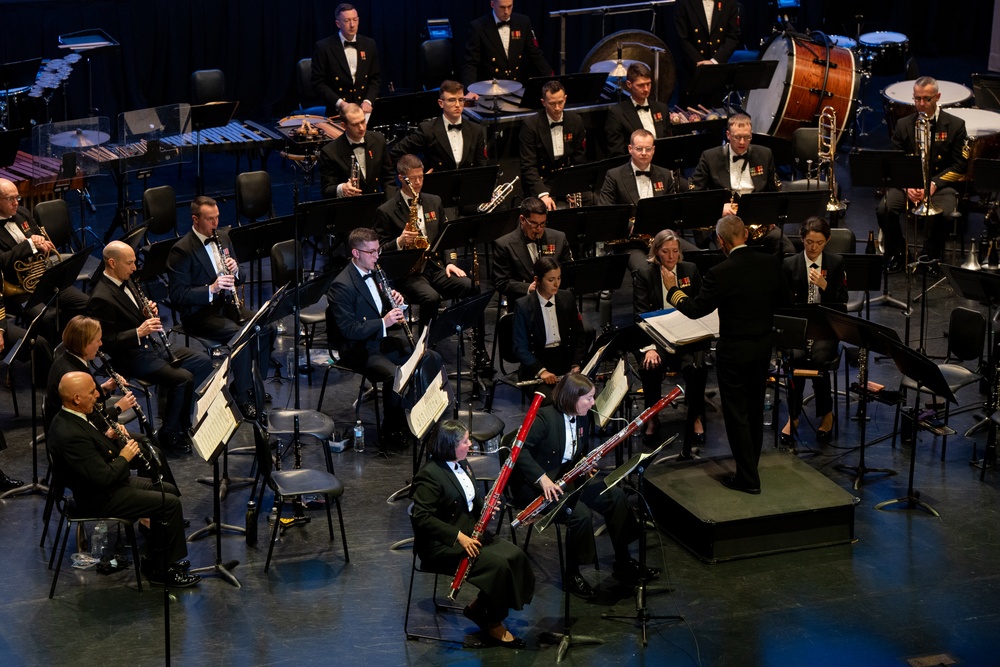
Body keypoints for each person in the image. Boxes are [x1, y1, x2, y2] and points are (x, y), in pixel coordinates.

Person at [663, 215, 790, 494]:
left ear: (721, 241)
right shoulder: (770, 262)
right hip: (762, 346)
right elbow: (784, 299)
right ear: (745, 233)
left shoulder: (720, 272)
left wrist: (673, 290)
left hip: (734, 351)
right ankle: (751, 466)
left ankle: (747, 478)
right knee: (755, 408)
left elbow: (696, 310)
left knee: (736, 414)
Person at [48, 371, 198, 587]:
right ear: (76, 398)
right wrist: (124, 457)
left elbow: (95, 454)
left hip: (106, 487)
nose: (98, 396)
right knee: (169, 502)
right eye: (92, 392)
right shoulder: (69, 434)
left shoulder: (74, 416)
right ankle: (163, 571)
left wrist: (108, 437)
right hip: (98, 498)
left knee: (167, 490)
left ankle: (154, 560)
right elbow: (103, 478)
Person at [511, 373, 653, 598]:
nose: (593, 402)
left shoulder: (583, 417)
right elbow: (518, 451)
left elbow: (574, 452)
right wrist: (542, 478)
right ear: (571, 398)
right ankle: (572, 574)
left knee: (614, 495)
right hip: (537, 487)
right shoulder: (545, 418)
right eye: (588, 398)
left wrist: (585, 463)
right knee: (580, 514)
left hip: (567, 480)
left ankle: (623, 562)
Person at [411, 419, 533, 648]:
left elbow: (469, 502)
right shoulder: (429, 476)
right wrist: (459, 537)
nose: (471, 444)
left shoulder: (463, 463)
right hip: (442, 545)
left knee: (515, 555)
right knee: (498, 566)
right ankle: (494, 623)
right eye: (465, 441)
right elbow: (422, 518)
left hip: (471, 534)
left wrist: (486, 505)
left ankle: (478, 608)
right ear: (449, 446)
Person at [88, 242, 214, 452]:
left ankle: (180, 423)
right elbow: (106, 342)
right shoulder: (101, 297)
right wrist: (139, 331)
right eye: (130, 263)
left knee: (202, 362)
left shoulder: (127, 279)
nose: (134, 267)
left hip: (150, 346)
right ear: (112, 263)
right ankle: (169, 433)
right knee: (182, 378)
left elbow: (134, 314)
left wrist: (146, 313)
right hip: (130, 357)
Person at [327, 227, 449, 444]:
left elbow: (379, 305)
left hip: (378, 340)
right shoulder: (341, 286)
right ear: (356, 253)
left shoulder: (376, 271)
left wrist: (396, 302)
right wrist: (384, 322)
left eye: (378, 251)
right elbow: (348, 330)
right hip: (357, 349)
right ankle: (392, 429)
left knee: (431, 357)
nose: (377, 256)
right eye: (372, 252)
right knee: (396, 376)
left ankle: (427, 416)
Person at [166, 196, 275, 420]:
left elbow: (240, 277)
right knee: (241, 336)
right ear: (195, 220)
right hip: (199, 314)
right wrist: (211, 289)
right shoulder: (182, 250)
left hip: (226, 306)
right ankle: (243, 398)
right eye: (210, 219)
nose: (215, 224)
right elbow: (177, 295)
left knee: (267, 328)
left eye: (217, 218)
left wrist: (236, 271)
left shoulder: (223, 237)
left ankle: (253, 384)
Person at [45, 316, 181, 487]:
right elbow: (86, 419)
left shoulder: (70, 359)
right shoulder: (70, 372)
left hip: (86, 429)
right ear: (85, 344)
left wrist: (104, 389)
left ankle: (156, 496)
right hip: (84, 441)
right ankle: (158, 500)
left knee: (148, 443)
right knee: (151, 452)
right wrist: (118, 408)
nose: (101, 344)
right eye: (97, 340)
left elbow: (85, 405)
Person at [373, 154, 474, 334]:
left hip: (435, 266)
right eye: (413, 179)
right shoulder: (386, 210)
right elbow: (378, 251)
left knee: (469, 285)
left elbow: (446, 236)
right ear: (401, 178)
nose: (418, 182)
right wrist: (399, 241)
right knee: (431, 298)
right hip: (409, 273)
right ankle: (424, 344)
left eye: (421, 177)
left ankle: (464, 334)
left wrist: (451, 262)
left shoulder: (434, 201)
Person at [876, 76, 967, 275]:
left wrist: (933, 184)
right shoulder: (903, 125)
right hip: (908, 184)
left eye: (926, 99)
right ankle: (900, 254)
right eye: (917, 99)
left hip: (939, 185)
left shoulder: (956, 125)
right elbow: (895, 162)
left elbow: (960, 165)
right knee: (884, 208)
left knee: (945, 214)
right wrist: (907, 186)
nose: (921, 104)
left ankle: (930, 257)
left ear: (938, 97)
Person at [633, 230, 708, 455]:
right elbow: (640, 315)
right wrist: (650, 349)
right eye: (666, 251)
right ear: (656, 252)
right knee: (651, 366)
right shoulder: (645, 275)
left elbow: (699, 308)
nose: (671, 256)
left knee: (697, 368)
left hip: (685, 336)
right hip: (657, 337)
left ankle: (695, 416)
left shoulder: (690, 270)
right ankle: (653, 417)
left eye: (675, 251)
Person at [780, 216, 847, 445]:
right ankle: (794, 415)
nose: (813, 247)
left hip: (825, 327)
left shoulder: (835, 263)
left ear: (826, 241)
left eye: (818, 243)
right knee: (795, 358)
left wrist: (824, 286)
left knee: (819, 359)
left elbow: (842, 303)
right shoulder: (790, 264)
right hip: (799, 326)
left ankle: (826, 414)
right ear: (802, 239)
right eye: (809, 242)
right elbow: (783, 303)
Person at [0, 177, 87, 347]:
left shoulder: (23, 213)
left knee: (84, 303)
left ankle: (72, 346)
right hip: (19, 290)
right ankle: (51, 359)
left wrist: (42, 243)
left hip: (43, 279)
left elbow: (39, 239)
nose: (16, 203)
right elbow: (2, 261)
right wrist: (30, 244)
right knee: (46, 318)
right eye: (10, 199)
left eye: (17, 197)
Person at [690, 114, 790, 255]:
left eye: (747, 137)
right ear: (728, 135)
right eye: (737, 137)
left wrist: (771, 214)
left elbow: (773, 190)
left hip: (756, 221)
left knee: (786, 248)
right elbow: (695, 194)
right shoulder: (710, 157)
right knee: (722, 255)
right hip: (724, 222)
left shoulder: (765, 154)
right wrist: (720, 207)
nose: (742, 142)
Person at [511, 257, 588, 401]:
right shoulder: (523, 306)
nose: (557, 284)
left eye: (559, 278)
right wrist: (542, 371)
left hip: (564, 362)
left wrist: (577, 364)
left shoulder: (567, 298)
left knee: (585, 400)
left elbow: (579, 335)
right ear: (537, 280)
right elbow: (519, 347)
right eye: (551, 279)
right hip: (537, 364)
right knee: (552, 402)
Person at [389, 80, 488, 173]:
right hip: (435, 188)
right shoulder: (427, 129)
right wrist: (412, 177)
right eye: (452, 100)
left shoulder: (476, 129)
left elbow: (482, 166)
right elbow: (395, 154)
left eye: (461, 100)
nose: (457, 105)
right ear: (441, 103)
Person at [519, 80, 587, 211]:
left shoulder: (576, 121)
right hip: (542, 181)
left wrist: (573, 187)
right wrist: (543, 194)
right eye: (552, 103)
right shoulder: (530, 125)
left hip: (564, 180)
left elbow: (579, 160)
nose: (557, 108)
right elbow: (528, 167)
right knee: (553, 209)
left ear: (565, 98)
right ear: (543, 102)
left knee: (594, 200)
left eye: (560, 102)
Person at [462, 0, 551, 99]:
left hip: (517, 87)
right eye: (502, 7)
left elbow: (535, 54)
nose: (506, 11)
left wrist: (551, 79)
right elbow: (471, 63)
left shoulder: (523, 22)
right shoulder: (478, 26)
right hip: (489, 91)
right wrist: (470, 90)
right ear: (492, 4)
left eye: (510, 6)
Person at [492, 196, 572, 303]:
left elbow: (569, 272)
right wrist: (529, 288)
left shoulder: (559, 238)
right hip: (523, 302)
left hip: (555, 299)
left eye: (543, 223)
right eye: (534, 224)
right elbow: (501, 282)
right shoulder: (504, 244)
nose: (539, 229)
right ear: (522, 220)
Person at [310, 3, 380, 117]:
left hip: (364, 109)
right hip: (337, 111)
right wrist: (341, 104)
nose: (352, 25)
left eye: (355, 20)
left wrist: (368, 101)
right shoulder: (324, 47)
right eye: (347, 21)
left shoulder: (369, 44)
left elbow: (375, 79)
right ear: (338, 23)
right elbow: (318, 83)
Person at [319, 103, 393, 199]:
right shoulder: (329, 152)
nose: (361, 128)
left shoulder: (378, 140)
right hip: (348, 206)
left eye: (363, 121)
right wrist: (342, 189)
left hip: (376, 204)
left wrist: (391, 205)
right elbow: (326, 189)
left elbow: (388, 178)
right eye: (355, 125)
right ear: (343, 126)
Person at [674, 0, 740, 106]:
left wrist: (714, 61)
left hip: (717, 70)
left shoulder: (729, 2)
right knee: (689, 116)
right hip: (691, 70)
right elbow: (680, 38)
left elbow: (732, 37)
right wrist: (700, 63)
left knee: (716, 115)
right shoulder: (684, 2)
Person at [604, 63, 672, 157]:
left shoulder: (662, 108)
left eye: (648, 84)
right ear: (629, 84)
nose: (646, 89)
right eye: (641, 85)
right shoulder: (617, 113)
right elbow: (617, 152)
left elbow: (668, 144)